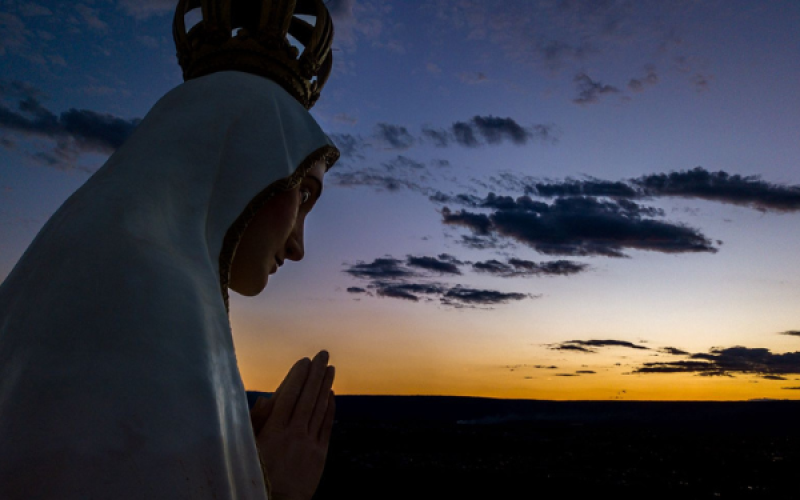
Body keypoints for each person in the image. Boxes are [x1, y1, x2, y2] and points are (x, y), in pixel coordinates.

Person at [0, 67, 339, 499]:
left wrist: (226, 466)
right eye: (304, 194)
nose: (298, 247)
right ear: (243, 160)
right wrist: (276, 487)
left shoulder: (79, 271)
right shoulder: (147, 298)